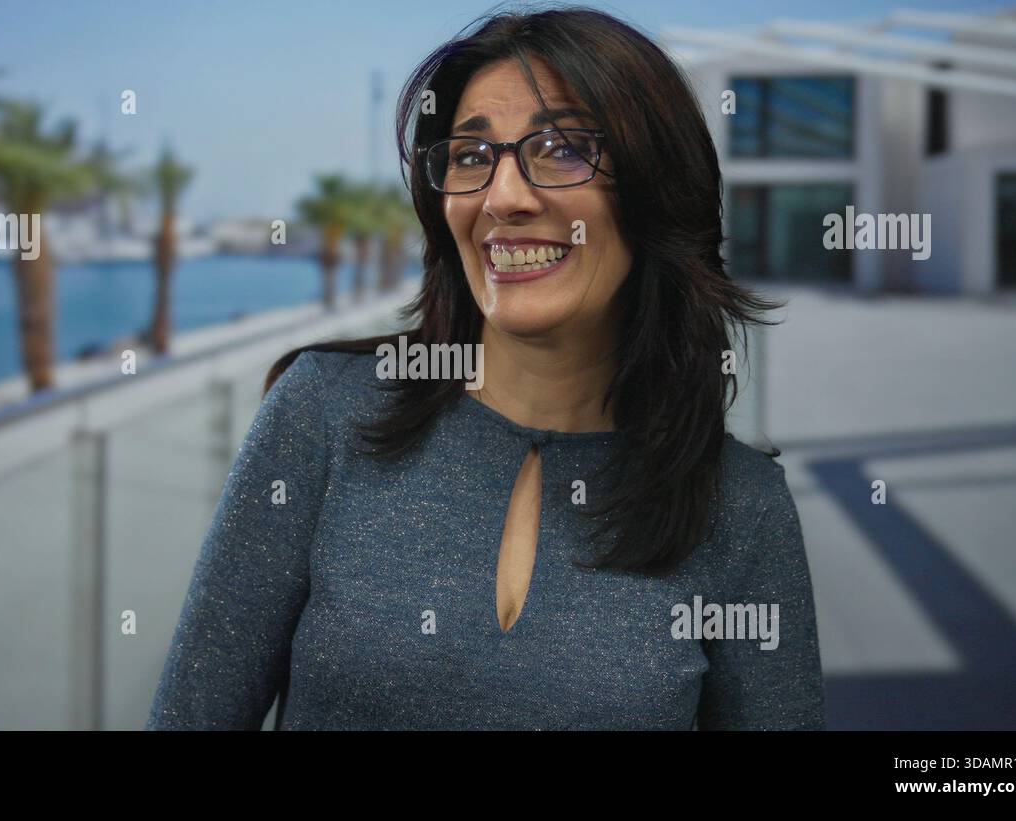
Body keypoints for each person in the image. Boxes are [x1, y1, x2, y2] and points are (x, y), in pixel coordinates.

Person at [146, 5, 826, 730]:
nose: (502, 198)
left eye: (563, 148)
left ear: (656, 188)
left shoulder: (741, 506)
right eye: (472, 157)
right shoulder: (324, 413)